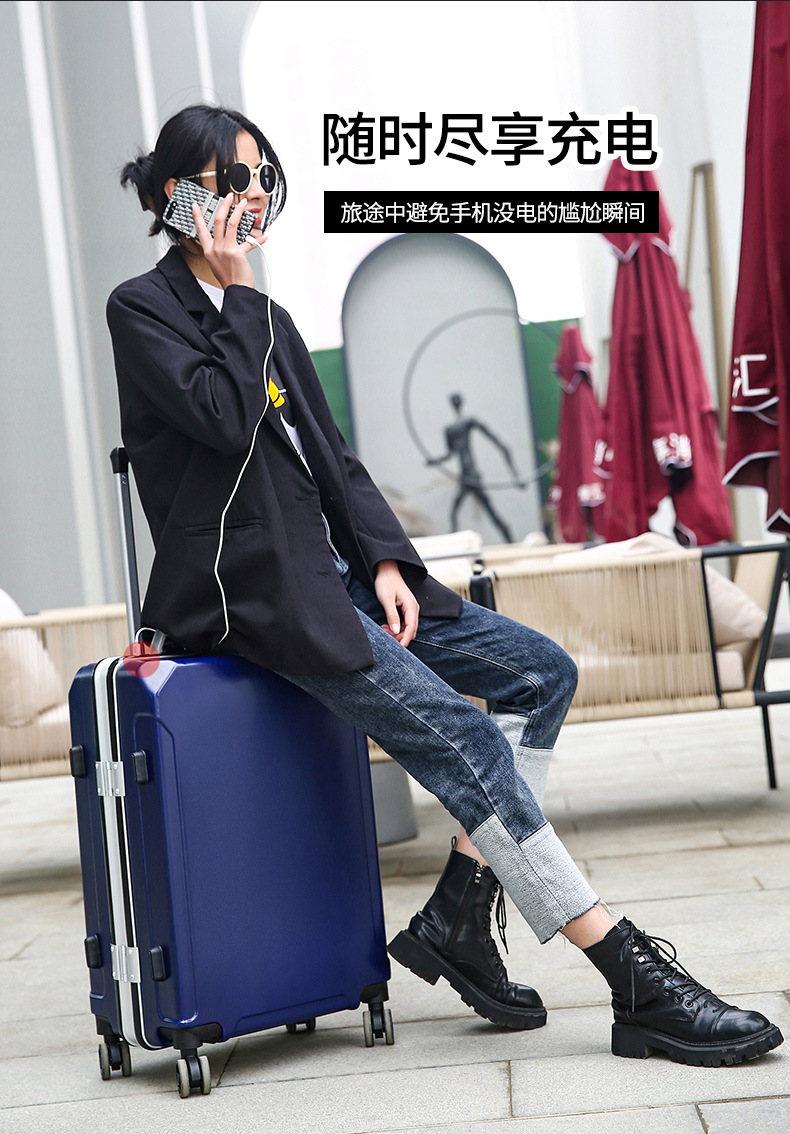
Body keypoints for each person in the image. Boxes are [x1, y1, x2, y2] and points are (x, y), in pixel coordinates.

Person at [110, 104, 783, 1066]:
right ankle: (630, 977)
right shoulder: (143, 308)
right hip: (257, 599)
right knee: (465, 740)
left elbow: (334, 459)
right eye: (232, 180)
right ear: (180, 194)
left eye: (262, 177)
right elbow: (220, 418)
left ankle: (463, 913)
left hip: (341, 577)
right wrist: (238, 293)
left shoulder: (274, 323)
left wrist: (386, 560)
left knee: (540, 673)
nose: (252, 198)